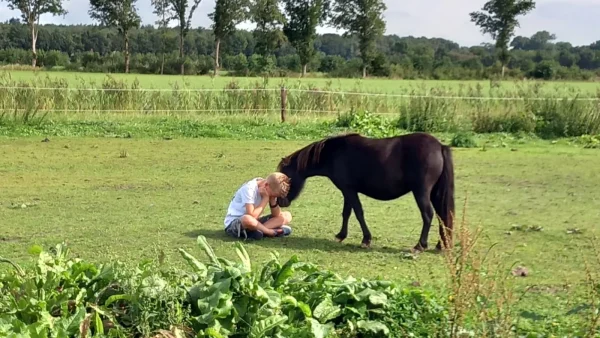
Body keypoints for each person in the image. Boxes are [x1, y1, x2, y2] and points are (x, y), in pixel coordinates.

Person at [224, 172, 293, 240]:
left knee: (287, 216)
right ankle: (269, 232)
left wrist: (272, 200)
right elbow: (251, 216)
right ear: (266, 185)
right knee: (247, 219)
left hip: (256, 222)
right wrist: (265, 199)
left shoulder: (270, 187)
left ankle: (259, 231)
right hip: (236, 223)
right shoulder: (249, 189)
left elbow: (276, 215)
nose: (272, 197)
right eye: (272, 195)